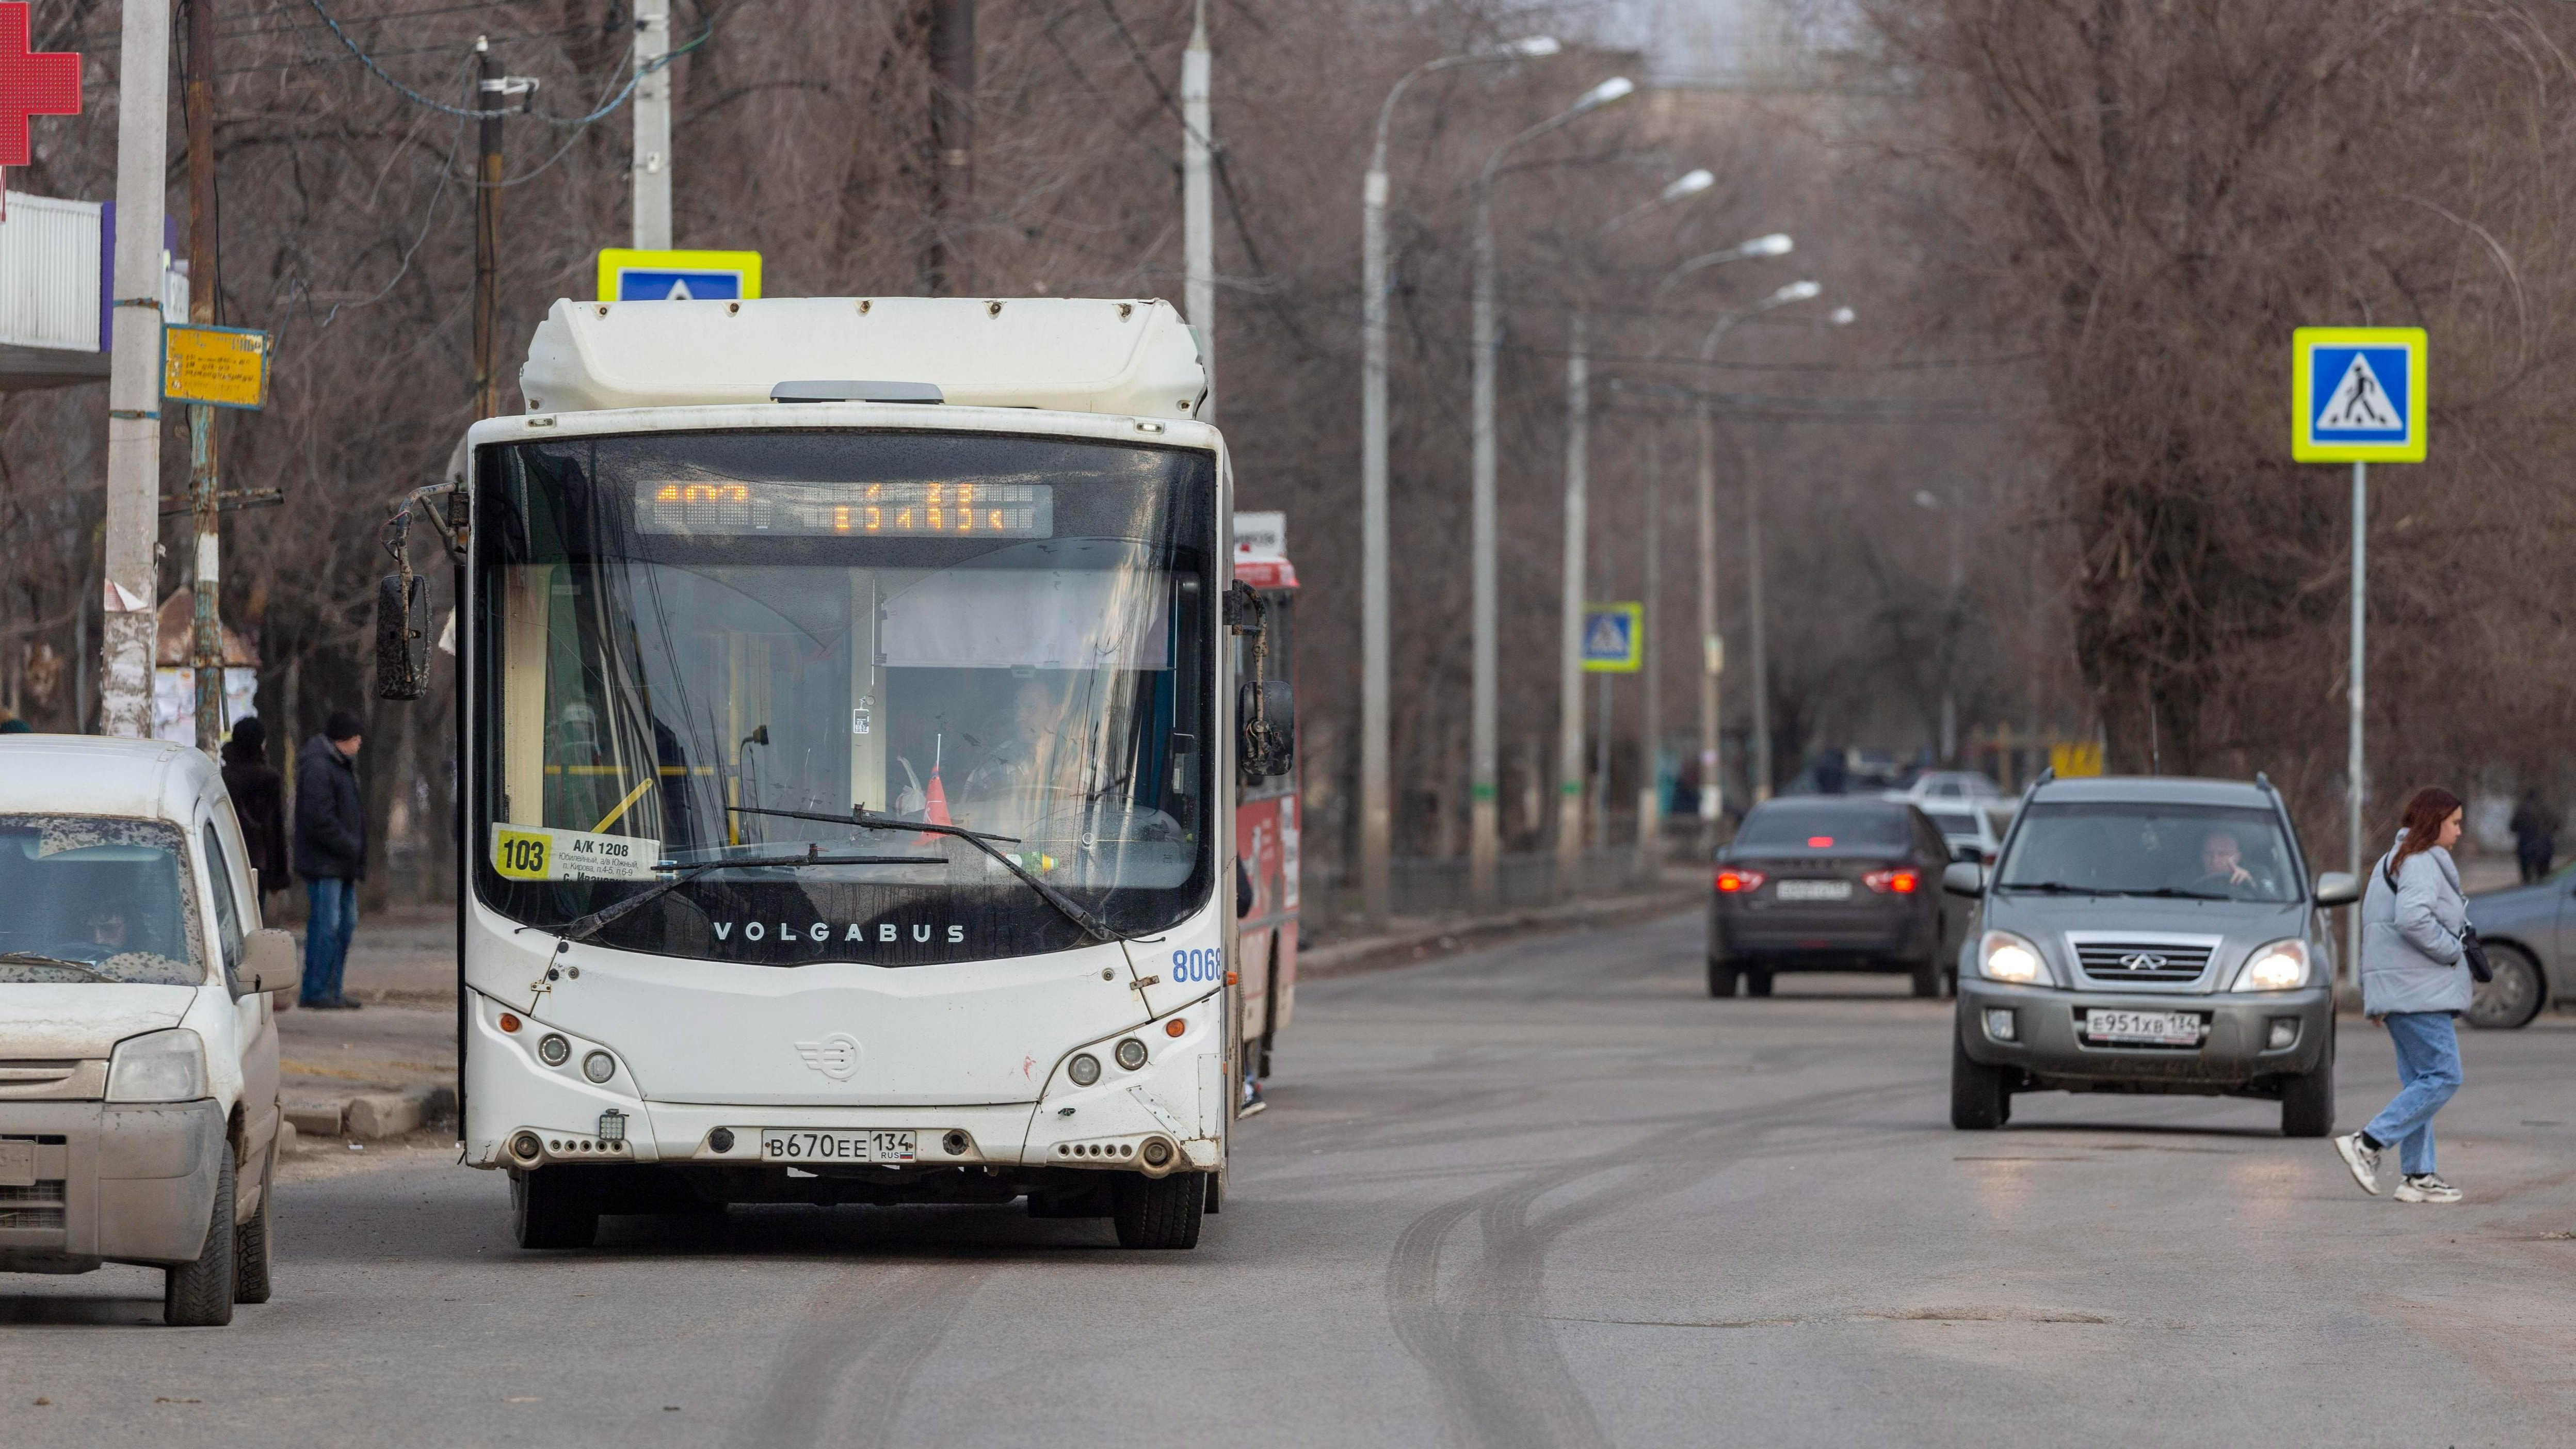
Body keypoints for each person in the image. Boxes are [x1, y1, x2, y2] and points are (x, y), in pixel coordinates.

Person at [2334, 786, 2471, 1205]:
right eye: (2455, 823)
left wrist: (2378, 993)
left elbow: (2375, 928)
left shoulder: (2390, 862)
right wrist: (2453, 949)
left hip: (2400, 990)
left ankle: (2418, 1175)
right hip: (2418, 990)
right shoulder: (2422, 861)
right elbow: (2412, 920)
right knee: (2444, 1075)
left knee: (2420, 1081)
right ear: (2434, 823)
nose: (2460, 832)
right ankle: (2369, 1143)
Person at [294, 710, 368, 1010]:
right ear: (343, 739)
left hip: (340, 862)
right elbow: (318, 818)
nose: (359, 743)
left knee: (344, 925)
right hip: (326, 863)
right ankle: (316, 990)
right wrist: (349, 844)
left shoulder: (339, 765)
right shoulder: (319, 767)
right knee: (327, 926)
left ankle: (332, 989)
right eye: (355, 738)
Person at [220, 715, 291, 901]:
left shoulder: (223, 776)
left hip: (225, 856)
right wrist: (278, 877)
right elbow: (274, 828)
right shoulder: (268, 779)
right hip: (257, 861)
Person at [2509, 787, 2555, 884]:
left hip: (2526, 846)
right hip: (2544, 846)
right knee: (2544, 878)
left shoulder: (2522, 809)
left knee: (2526, 879)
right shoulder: (2546, 808)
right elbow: (2557, 825)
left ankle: (2529, 895)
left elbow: (2513, 827)